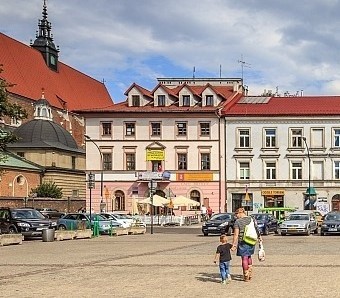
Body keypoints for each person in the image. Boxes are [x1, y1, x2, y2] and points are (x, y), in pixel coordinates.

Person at [231, 207, 262, 282]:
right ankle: (250, 273)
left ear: (240, 213)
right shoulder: (252, 219)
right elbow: (257, 229)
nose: (236, 216)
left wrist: (234, 244)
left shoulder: (238, 222)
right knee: (249, 256)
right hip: (251, 240)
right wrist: (260, 237)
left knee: (244, 258)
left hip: (243, 241)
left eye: (236, 214)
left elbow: (236, 234)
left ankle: (246, 275)